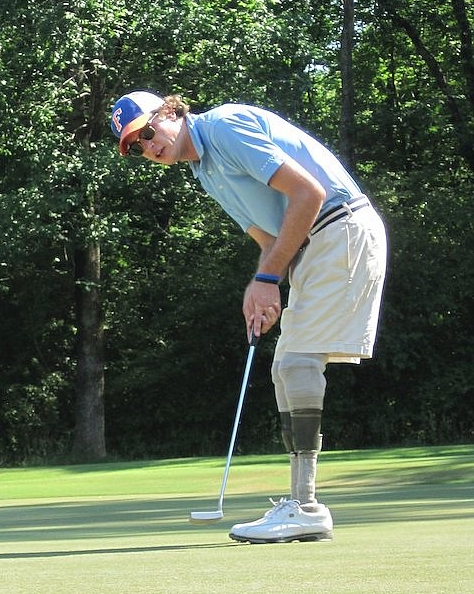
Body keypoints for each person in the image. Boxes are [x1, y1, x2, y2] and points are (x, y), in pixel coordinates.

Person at [110, 91, 387, 543]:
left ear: (170, 111)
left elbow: (308, 193)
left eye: (146, 131)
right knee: (288, 368)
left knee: (296, 363)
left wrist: (270, 277)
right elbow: (269, 239)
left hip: (340, 227)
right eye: (135, 146)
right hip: (318, 243)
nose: (148, 146)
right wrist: (262, 286)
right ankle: (304, 504)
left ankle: (306, 507)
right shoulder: (205, 172)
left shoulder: (223, 127)